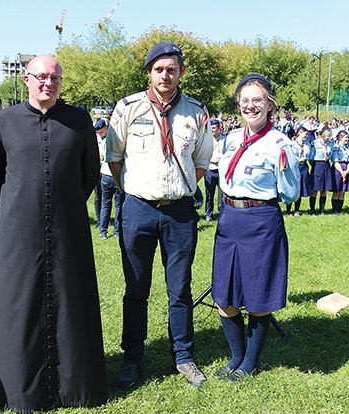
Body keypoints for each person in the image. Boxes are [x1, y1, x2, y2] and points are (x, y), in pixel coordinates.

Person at [0, 55, 107, 412]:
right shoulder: (3, 121)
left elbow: (89, 175)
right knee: (18, 300)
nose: (47, 83)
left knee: (71, 298)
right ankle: (19, 385)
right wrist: (20, 205)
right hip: (20, 229)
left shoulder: (78, 120)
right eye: (40, 77)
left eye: (55, 78)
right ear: (26, 80)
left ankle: (75, 385)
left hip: (68, 226)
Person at [106, 41, 213, 389]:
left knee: (179, 289)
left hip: (179, 213)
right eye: (159, 69)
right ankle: (132, 358)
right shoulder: (128, 108)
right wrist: (135, 190)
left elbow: (200, 162)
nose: (165, 75)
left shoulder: (197, 112)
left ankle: (184, 357)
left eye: (172, 69)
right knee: (135, 289)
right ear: (149, 72)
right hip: (138, 208)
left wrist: (173, 194)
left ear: (181, 72)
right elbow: (114, 156)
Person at [212, 74, 299, 382]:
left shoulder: (280, 145)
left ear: (270, 105)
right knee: (225, 297)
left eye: (257, 100)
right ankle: (235, 356)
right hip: (229, 220)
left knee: (258, 299)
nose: (250, 106)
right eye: (244, 100)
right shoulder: (231, 138)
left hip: (261, 222)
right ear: (238, 105)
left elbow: (290, 193)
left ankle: (250, 362)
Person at [96, 119, 123, 239]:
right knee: (118, 205)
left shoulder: (104, 141)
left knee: (106, 204)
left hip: (106, 175)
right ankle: (117, 231)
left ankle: (103, 231)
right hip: (115, 175)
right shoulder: (118, 138)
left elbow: (101, 156)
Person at [285, 124, 311, 216]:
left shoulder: (307, 145)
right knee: (292, 188)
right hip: (294, 167)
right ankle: (288, 210)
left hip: (303, 166)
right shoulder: (292, 144)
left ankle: (296, 209)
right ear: (299, 133)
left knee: (300, 189)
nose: (306, 136)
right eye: (305, 134)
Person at [204, 119, 226, 221]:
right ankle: (209, 213)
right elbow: (202, 155)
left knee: (223, 194)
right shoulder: (206, 140)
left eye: (214, 128)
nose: (212, 130)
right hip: (210, 170)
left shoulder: (225, 139)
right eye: (211, 128)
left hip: (221, 171)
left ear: (219, 128)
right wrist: (212, 159)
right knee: (209, 194)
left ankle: (222, 212)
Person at [328, 129, 349, 214]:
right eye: (346, 137)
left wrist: (347, 171)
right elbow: (335, 161)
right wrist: (342, 172)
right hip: (338, 170)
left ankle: (339, 209)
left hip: (346, 168)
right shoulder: (335, 148)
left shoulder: (348, 148)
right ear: (340, 138)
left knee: (343, 191)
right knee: (337, 191)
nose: (347, 139)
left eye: (348, 137)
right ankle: (335, 210)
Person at [308, 127, 331, 214]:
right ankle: (312, 210)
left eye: (330, 135)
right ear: (322, 134)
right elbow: (311, 157)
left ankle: (322, 210)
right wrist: (314, 166)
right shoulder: (315, 143)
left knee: (324, 190)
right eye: (327, 135)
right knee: (315, 189)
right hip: (317, 165)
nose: (328, 137)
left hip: (326, 165)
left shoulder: (330, 144)